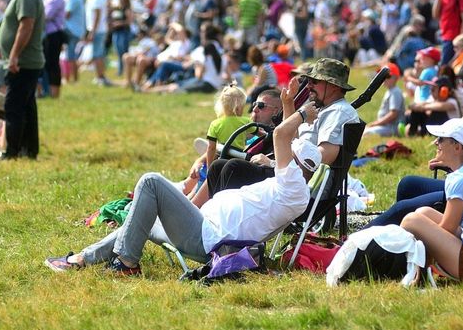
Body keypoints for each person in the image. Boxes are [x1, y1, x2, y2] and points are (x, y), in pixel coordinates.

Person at [45, 100, 322, 275]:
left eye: (290, 154)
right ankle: (84, 258)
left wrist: (302, 113)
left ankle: (126, 263)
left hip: (207, 239)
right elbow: (286, 140)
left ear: (298, 164)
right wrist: (288, 104)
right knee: (142, 215)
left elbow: (281, 134)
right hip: (204, 228)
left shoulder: (293, 188)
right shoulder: (290, 183)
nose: (282, 156)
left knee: (151, 181)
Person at [191, 57, 359, 208]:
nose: (308, 86)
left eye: (314, 81)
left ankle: (218, 222)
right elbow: (292, 140)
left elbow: (320, 158)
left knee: (234, 168)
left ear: (334, 86)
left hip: (297, 185)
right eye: (309, 81)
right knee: (219, 166)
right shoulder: (322, 109)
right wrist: (288, 103)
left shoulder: (339, 112)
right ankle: (201, 216)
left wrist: (273, 164)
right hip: (289, 175)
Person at [366, 77, 463, 228]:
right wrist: (452, 162)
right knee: (407, 184)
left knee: (402, 210)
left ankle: (361, 238)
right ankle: (400, 235)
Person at [400, 118, 463, 281]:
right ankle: (420, 268)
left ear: (457, 147)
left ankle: (405, 267)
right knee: (424, 212)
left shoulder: (461, 178)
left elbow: (449, 227)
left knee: (411, 221)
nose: (436, 143)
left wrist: (427, 237)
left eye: (441, 139)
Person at [0, 0, 45, 160]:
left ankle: (12, 151)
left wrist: (14, 55)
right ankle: (29, 150)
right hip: (26, 61)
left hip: (22, 62)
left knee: (14, 107)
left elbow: (26, 25)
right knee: (26, 106)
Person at [206, 83, 251, 167]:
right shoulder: (247, 121)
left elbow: (211, 148)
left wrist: (209, 167)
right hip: (239, 160)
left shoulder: (215, 124)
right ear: (238, 107)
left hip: (221, 157)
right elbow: (260, 133)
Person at [364, 63, 405, 137]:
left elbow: (393, 114)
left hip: (392, 127)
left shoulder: (395, 92)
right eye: (382, 76)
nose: (384, 79)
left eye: (387, 76)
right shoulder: (391, 91)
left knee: (367, 133)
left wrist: (376, 123)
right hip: (385, 126)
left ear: (396, 78)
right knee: (363, 130)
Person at [83, 0, 111, 87]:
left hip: (98, 30)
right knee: (98, 54)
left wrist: (92, 32)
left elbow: (97, 16)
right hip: (99, 30)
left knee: (97, 55)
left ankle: (101, 77)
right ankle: (100, 76)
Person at [43, 0, 66, 98]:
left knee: (53, 63)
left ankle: (55, 92)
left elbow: (47, 15)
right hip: (46, 34)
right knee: (48, 63)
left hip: (54, 33)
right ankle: (48, 90)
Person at [62, 0, 85, 84]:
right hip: (75, 31)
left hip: (73, 31)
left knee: (71, 56)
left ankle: (74, 79)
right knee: (70, 56)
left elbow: (67, 14)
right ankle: (72, 78)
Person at [110, 0, 133, 77]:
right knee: (118, 52)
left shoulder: (127, 9)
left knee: (124, 52)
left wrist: (120, 23)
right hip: (116, 32)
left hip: (124, 32)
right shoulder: (117, 9)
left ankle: (125, 70)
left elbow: (129, 21)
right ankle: (120, 70)